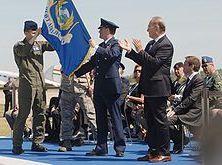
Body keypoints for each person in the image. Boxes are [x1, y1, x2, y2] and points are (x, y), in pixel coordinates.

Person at [119, 16, 173, 162]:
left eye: (149, 26)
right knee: (151, 122)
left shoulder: (166, 45)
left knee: (160, 121)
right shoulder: (151, 44)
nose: (147, 29)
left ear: (156, 28)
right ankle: (153, 151)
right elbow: (143, 61)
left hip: (159, 88)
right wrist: (130, 51)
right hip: (149, 88)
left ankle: (164, 152)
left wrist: (141, 50)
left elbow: (154, 64)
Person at [75, 18, 126, 157]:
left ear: (108, 30)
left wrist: (96, 47)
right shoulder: (102, 47)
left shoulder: (116, 44)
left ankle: (120, 147)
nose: (99, 31)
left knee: (115, 118)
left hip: (111, 87)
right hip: (100, 87)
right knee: (100, 119)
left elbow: (112, 55)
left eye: (101, 28)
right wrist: (75, 72)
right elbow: (91, 64)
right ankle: (101, 147)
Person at [12, 20, 54, 154]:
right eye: (32, 31)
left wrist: (54, 33)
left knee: (40, 114)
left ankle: (37, 142)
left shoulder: (40, 45)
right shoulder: (19, 45)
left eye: (36, 31)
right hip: (27, 84)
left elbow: (54, 46)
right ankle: (17, 144)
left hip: (40, 84)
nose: (35, 33)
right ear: (26, 32)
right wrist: (36, 36)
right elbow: (24, 51)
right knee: (23, 114)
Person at [167, 56, 204, 154]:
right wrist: (172, 108)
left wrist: (175, 110)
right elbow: (184, 99)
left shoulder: (198, 79)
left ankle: (180, 140)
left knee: (164, 121)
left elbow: (191, 99)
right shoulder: (190, 79)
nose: (183, 66)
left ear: (191, 66)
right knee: (162, 119)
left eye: (185, 64)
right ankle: (181, 139)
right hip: (186, 110)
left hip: (194, 113)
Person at [58, 72, 97, 152]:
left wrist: (92, 85)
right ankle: (66, 141)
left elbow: (94, 69)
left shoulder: (86, 58)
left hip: (82, 88)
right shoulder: (65, 58)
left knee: (91, 115)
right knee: (66, 117)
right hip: (67, 87)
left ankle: (101, 142)